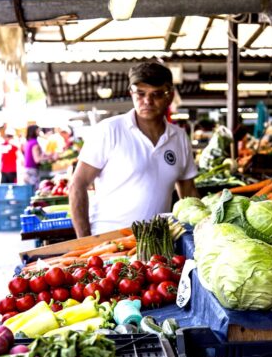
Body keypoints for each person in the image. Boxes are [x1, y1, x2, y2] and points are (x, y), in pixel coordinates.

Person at [69, 61, 199, 237]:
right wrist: (84, 241)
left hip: (157, 244)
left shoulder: (179, 137)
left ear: (170, 96)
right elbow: (78, 184)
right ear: (131, 93)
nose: (147, 101)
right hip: (108, 242)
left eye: (157, 94)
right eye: (140, 93)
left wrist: (200, 228)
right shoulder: (109, 130)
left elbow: (188, 192)